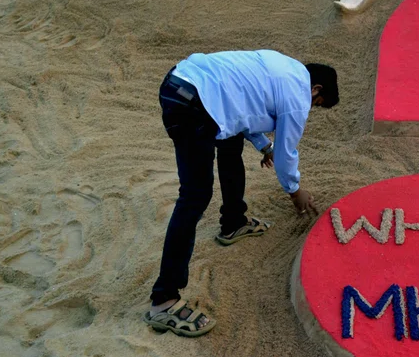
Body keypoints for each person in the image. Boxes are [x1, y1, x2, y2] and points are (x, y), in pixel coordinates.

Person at [143, 50, 339, 337]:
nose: (310, 108)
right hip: (193, 105)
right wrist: (295, 191)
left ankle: (233, 222)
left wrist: (262, 145)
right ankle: (164, 300)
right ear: (315, 89)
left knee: (230, 140)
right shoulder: (298, 95)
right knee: (195, 196)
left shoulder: (281, 66)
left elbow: (240, 108)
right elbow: (287, 153)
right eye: (316, 102)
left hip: (181, 83)